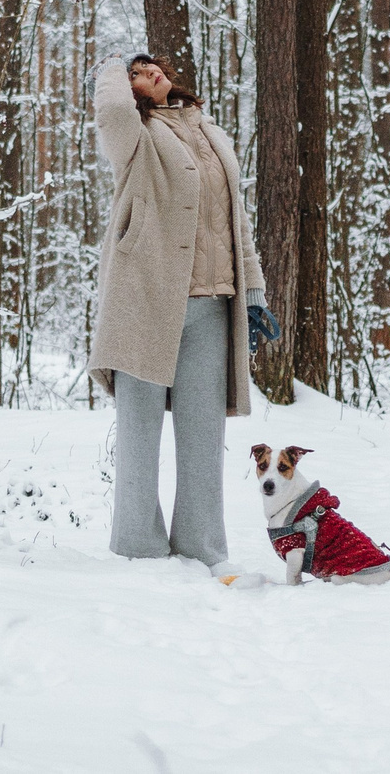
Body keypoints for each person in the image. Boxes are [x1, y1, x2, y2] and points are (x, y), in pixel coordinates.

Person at [89, 52, 282, 570]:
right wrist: (112, 66)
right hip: (144, 302)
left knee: (203, 442)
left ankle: (202, 550)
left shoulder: (209, 130)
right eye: (135, 74)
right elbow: (109, 111)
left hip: (212, 306)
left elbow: (234, 220)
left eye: (148, 65)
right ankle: (138, 548)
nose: (148, 72)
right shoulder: (134, 136)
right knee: (140, 437)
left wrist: (255, 292)